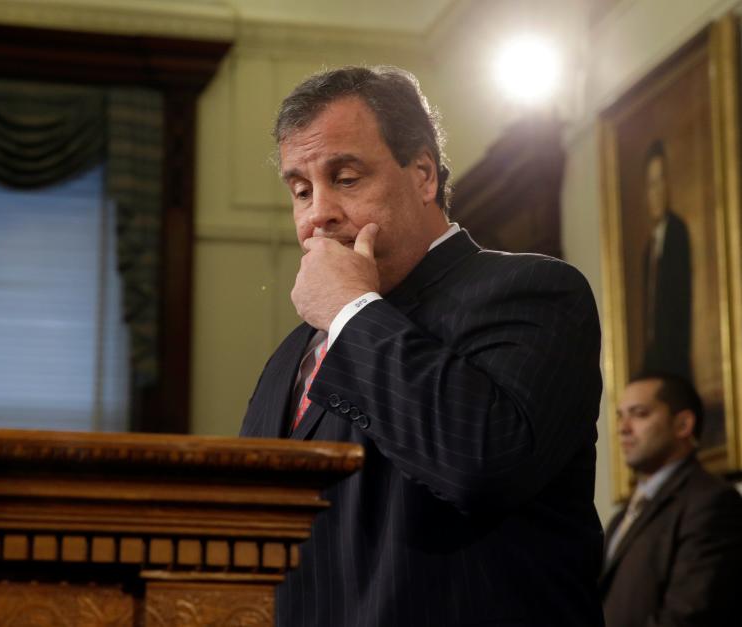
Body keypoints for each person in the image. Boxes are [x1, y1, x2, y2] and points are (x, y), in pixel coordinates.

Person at [240, 66, 605, 627]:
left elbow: (483, 464)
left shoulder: (536, 292)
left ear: (424, 175)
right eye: (301, 189)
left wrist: (349, 310)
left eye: (346, 177)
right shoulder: (291, 356)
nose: (317, 214)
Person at [601, 373, 742, 627]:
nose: (623, 428)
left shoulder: (712, 502)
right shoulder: (621, 518)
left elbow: (690, 614)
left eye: (640, 414)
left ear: (683, 425)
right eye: (620, 416)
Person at [640, 140, 691, 382]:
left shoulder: (677, 232)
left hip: (674, 359)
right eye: (651, 185)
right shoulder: (648, 248)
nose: (657, 191)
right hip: (656, 360)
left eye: (661, 182)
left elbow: (680, 304)